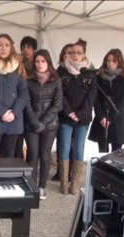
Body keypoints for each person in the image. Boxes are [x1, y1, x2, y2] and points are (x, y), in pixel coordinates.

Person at [57, 38, 98, 194]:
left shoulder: (91, 71)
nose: (75, 55)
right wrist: (69, 112)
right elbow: (59, 93)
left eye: (78, 53)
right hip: (65, 116)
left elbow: (92, 95)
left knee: (79, 148)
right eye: (72, 52)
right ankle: (63, 182)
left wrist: (79, 114)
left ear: (84, 54)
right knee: (65, 147)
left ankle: (74, 183)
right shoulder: (61, 70)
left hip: (83, 118)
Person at [24, 49, 63, 200]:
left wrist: (44, 122)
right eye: (37, 61)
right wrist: (35, 122)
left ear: (48, 63)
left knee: (45, 155)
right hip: (31, 124)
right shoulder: (28, 79)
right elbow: (26, 103)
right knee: (32, 154)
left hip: (50, 124)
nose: (40, 64)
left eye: (43, 61)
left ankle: (41, 187)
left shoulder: (56, 79)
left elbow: (58, 104)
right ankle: (31, 186)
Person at [88, 49, 124, 152]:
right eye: (108, 60)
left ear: (119, 62)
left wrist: (111, 119)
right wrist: (101, 117)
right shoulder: (99, 76)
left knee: (117, 153)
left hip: (117, 117)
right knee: (103, 152)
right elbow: (96, 99)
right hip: (102, 118)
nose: (110, 63)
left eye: (114, 61)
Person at [52, 43, 75, 181]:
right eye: (65, 53)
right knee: (61, 143)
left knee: (73, 144)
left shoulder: (80, 71)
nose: (67, 55)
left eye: (70, 53)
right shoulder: (59, 71)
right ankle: (60, 171)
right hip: (61, 112)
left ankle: (70, 172)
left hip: (77, 114)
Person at [16, 36, 38, 160]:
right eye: (23, 47)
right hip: (19, 106)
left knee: (32, 144)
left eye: (28, 47)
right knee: (18, 142)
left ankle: (30, 168)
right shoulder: (17, 64)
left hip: (33, 106)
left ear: (34, 49)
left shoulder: (38, 64)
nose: (25, 50)